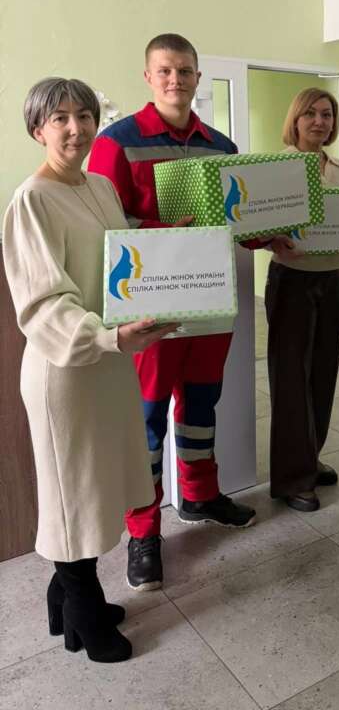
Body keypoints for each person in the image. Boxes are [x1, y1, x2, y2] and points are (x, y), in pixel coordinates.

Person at [2, 78, 177, 662]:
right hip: (65, 369)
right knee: (70, 493)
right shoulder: (32, 199)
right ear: (38, 129)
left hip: (109, 361)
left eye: (84, 115)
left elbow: (122, 266)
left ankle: (65, 603)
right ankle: (82, 608)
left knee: (97, 486)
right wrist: (107, 336)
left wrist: (159, 298)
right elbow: (42, 303)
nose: (76, 128)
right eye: (60, 118)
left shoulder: (100, 186)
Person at [88, 33, 258, 592]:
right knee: (147, 419)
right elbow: (104, 226)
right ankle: (143, 531)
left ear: (197, 77)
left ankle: (201, 495)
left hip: (211, 301)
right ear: (148, 76)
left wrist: (268, 232)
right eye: (165, 70)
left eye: (185, 70)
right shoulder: (115, 142)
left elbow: (239, 217)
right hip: (151, 307)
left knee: (202, 404)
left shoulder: (222, 146)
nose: (175, 80)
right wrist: (167, 231)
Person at [264, 88, 339, 512]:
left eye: (327, 114)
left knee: (322, 375)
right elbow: (260, 225)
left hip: (333, 278)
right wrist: (271, 239)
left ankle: (309, 457)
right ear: (295, 120)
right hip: (292, 279)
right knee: (291, 381)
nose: (319, 121)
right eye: (311, 114)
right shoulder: (276, 167)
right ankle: (291, 478)